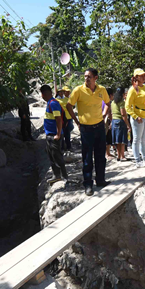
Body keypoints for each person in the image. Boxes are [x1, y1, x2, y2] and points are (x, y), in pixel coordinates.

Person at [66, 68, 111, 196]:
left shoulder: (101, 90)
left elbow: (108, 103)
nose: (86, 78)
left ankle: (101, 180)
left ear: (95, 78)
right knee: (87, 158)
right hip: (86, 129)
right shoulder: (78, 90)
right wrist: (77, 122)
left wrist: (103, 115)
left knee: (100, 156)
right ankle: (88, 184)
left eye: (89, 76)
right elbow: (69, 106)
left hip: (100, 127)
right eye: (85, 76)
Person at [40, 85, 68, 183]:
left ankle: (65, 177)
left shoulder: (53, 103)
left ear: (43, 94)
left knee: (58, 157)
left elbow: (58, 119)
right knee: (52, 156)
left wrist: (58, 134)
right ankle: (57, 175)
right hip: (50, 135)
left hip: (54, 135)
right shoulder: (50, 103)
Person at [126, 68, 145, 168]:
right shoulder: (133, 89)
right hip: (138, 118)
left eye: (144, 75)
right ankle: (137, 160)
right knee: (136, 139)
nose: (143, 77)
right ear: (136, 77)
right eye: (141, 76)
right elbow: (127, 106)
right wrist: (136, 117)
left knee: (144, 139)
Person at [110, 86, 130, 162]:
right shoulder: (121, 102)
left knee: (117, 140)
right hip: (121, 122)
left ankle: (118, 156)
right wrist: (128, 125)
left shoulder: (113, 102)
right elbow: (123, 114)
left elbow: (111, 113)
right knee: (122, 140)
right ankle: (122, 156)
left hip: (114, 121)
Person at [56, 87, 73, 152]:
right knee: (61, 133)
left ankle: (69, 147)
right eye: (60, 92)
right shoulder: (56, 100)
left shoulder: (67, 99)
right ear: (58, 92)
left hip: (68, 118)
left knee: (67, 133)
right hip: (61, 119)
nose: (62, 93)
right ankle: (62, 148)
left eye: (62, 92)